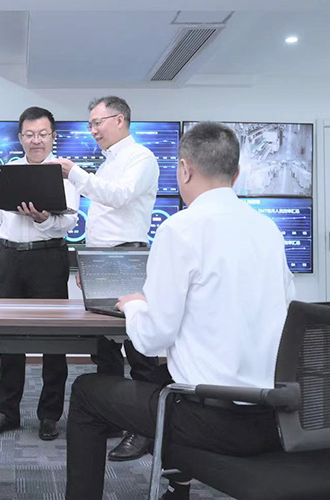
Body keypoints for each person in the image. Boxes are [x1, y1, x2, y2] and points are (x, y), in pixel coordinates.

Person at [64, 122, 296, 500]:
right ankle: (177, 488)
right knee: (162, 376)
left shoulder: (180, 229)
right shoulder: (268, 229)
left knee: (87, 392)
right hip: (274, 416)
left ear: (185, 170)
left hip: (212, 421)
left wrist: (134, 305)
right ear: (236, 174)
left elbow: (153, 337)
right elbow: (287, 311)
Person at [54, 95, 162, 460]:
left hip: (127, 258)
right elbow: (103, 217)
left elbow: (119, 198)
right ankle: (116, 417)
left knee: (139, 349)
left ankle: (144, 429)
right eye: (90, 124)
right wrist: (88, 262)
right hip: (103, 259)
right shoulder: (109, 162)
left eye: (97, 122)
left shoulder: (141, 158)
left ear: (120, 120)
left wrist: (75, 174)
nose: (93, 130)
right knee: (105, 349)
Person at [0, 106, 79, 441]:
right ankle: (7, 412)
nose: (36, 140)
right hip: (10, 259)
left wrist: (44, 220)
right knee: (9, 339)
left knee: (54, 342)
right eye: (30, 134)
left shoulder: (66, 173)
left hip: (48, 259)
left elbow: (70, 222)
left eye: (43, 134)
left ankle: (49, 415)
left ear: (53, 136)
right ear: (20, 137)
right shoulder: (7, 173)